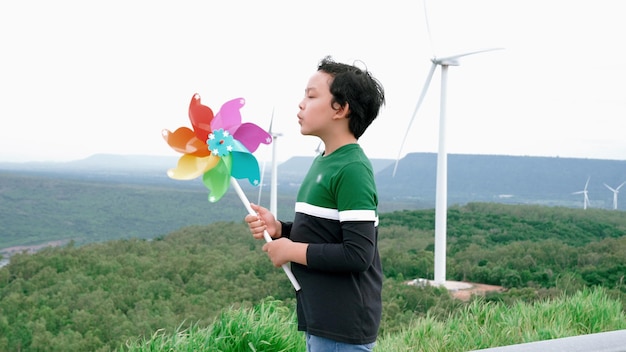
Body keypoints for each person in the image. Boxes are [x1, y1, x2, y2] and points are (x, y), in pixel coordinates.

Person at [245, 55, 385, 352]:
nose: (301, 104)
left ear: (341, 108)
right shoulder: (324, 161)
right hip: (322, 317)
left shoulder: (352, 169)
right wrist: (281, 228)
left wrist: (290, 250)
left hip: (342, 325)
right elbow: (324, 231)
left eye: (311, 96)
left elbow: (358, 254)